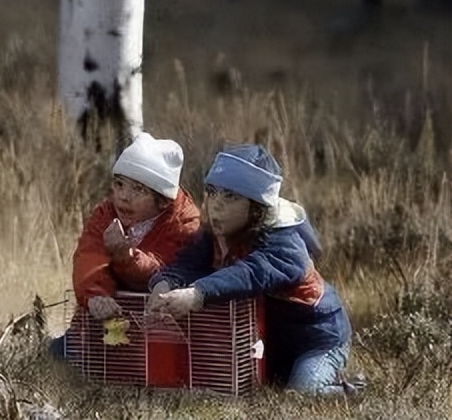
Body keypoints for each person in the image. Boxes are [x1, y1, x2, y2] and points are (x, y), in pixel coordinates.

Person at [146, 144, 353, 395]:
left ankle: (348, 390)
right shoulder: (216, 234)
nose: (216, 205)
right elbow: (188, 263)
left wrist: (197, 293)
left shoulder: (284, 241)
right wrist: (165, 282)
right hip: (271, 343)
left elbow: (251, 273)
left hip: (317, 339)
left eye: (230, 196)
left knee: (303, 393)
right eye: (212, 192)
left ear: (256, 206)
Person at [50, 132, 200, 359]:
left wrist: (126, 256)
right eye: (119, 184)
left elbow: (165, 272)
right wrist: (95, 295)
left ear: (162, 200)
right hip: (106, 323)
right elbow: (88, 256)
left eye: (138, 189)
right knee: (61, 353)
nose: (123, 197)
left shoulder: (184, 223)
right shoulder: (106, 213)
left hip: (160, 332)